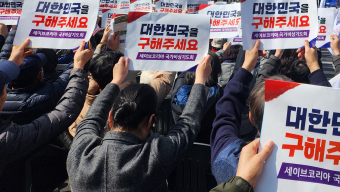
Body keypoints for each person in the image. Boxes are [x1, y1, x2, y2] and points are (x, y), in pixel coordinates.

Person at [69, 54, 239, 192]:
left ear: (111, 116)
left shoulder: (80, 151)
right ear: (150, 121)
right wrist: (200, 81)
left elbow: (92, 117)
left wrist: (114, 82)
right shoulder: (155, 156)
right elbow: (188, 123)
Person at [211, 40, 331, 184]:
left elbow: (226, 111)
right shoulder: (316, 166)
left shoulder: (230, 162)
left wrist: (246, 66)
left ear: (251, 118)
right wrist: (314, 66)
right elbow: (331, 115)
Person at [0, 39, 92, 169]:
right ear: (40, 75)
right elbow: (65, 110)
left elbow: (3, 58)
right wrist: (79, 66)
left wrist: (12, 62)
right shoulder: (6, 139)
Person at [1, 27, 76, 124]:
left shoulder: (2, 85)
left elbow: (4, 55)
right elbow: (74, 70)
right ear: (40, 76)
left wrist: (18, 29)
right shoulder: (47, 96)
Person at [171, 53, 223, 143]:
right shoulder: (219, 94)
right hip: (210, 146)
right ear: (216, 71)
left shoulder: (178, 91)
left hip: (180, 145)